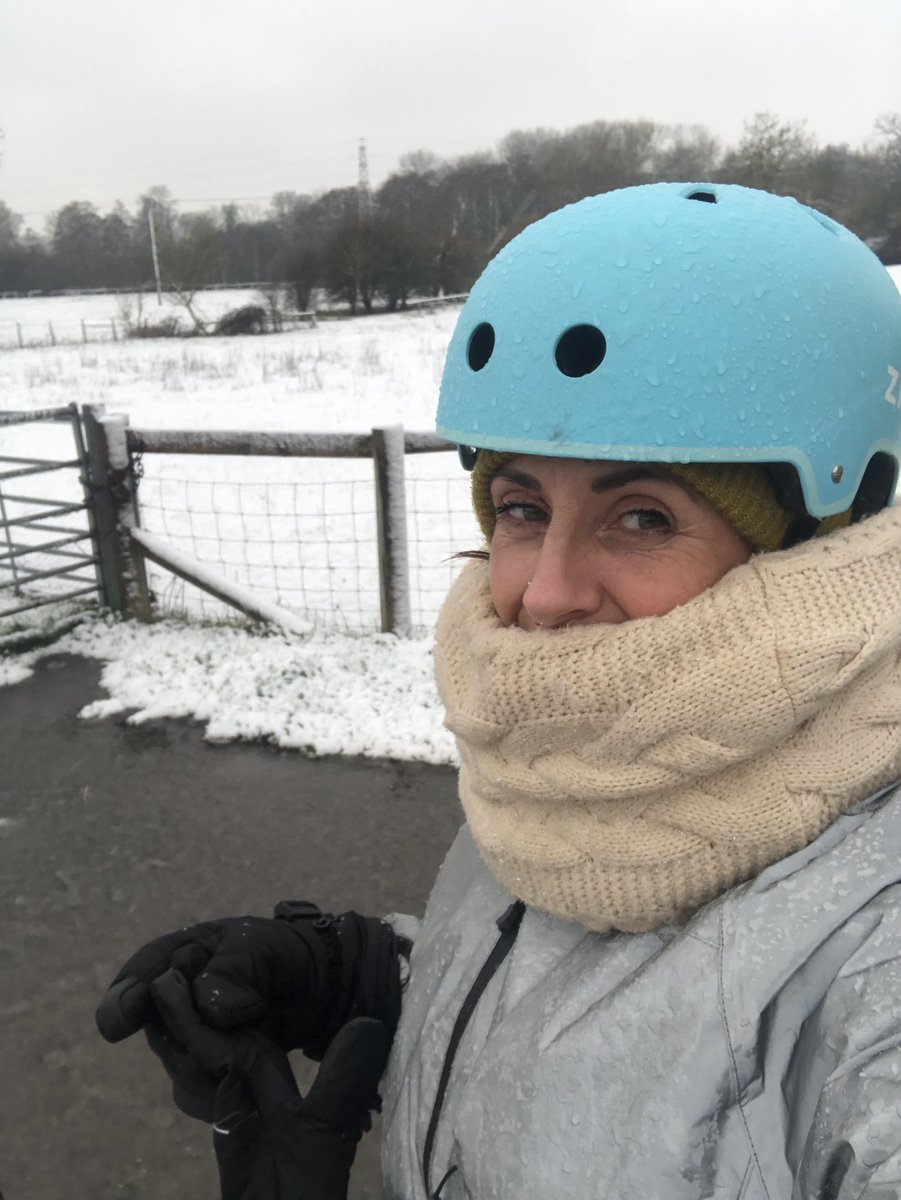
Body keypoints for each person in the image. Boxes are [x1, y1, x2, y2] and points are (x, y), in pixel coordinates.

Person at [97, 182, 901, 1199]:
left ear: (826, 544)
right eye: (521, 506)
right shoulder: (585, 761)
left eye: (643, 518)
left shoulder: (875, 963)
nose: (542, 595)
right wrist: (373, 981)